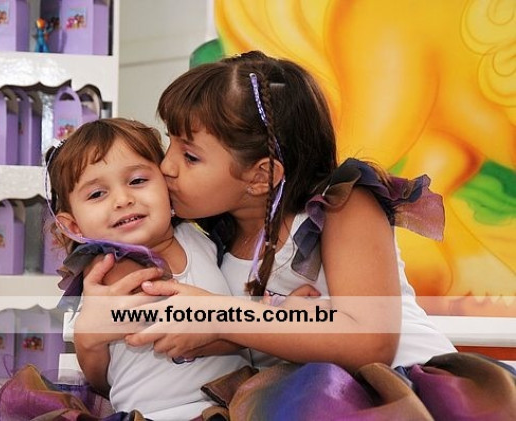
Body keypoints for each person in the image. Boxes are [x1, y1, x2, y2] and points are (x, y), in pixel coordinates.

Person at [109, 50, 458, 371]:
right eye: (169, 141)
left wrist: (218, 315)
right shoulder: (206, 233)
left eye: (190, 156)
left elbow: (371, 343)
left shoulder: (342, 206)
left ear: (261, 176)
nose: (166, 166)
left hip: (404, 386)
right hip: (301, 392)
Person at [44, 118, 248, 419]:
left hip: (232, 406)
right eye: (97, 194)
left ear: (167, 186)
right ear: (73, 226)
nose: (123, 200)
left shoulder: (198, 239)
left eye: (138, 181)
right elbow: (194, 332)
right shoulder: (111, 268)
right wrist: (267, 323)